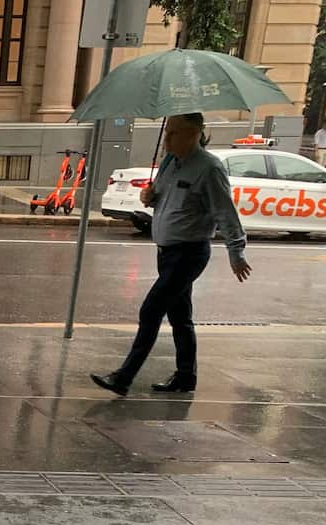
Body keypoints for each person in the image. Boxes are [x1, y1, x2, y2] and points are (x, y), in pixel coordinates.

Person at [91, 113, 252, 397]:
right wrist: (149, 197)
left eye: (174, 133)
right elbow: (162, 199)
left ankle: (124, 377)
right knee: (180, 317)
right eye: (167, 132)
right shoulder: (169, 163)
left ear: (194, 134)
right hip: (166, 252)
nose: (167, 139)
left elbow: (224, 212)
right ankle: (185, 376)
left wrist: (235, 252)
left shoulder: (209, 168)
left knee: (151, 309)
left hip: (189, 253)